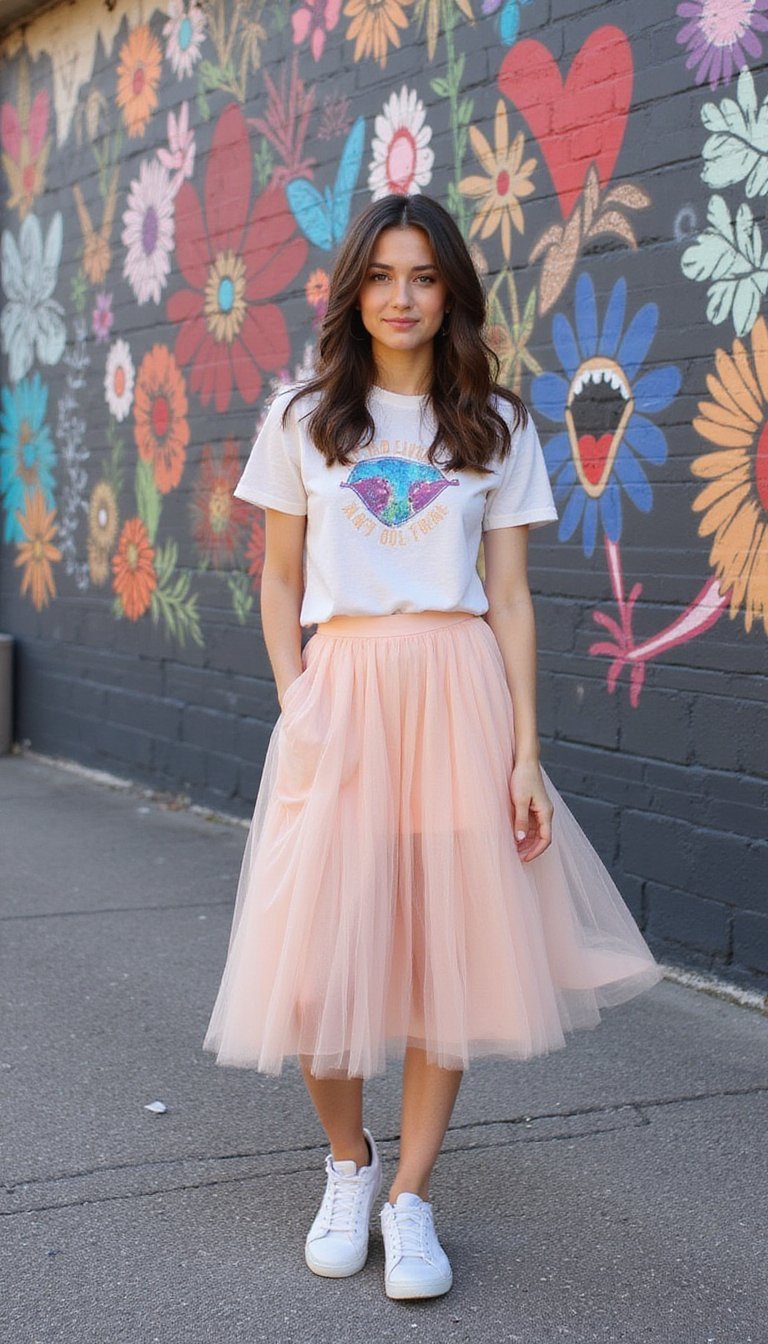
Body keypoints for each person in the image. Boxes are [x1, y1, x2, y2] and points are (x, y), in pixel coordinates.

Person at [203, 192, 663, 1302]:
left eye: (422, 277)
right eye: (380, 276)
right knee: (316, 963)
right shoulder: (303, 415)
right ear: (353, 289)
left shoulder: (495, 423)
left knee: (443, 950)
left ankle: (412, 1197)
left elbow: (509, 598)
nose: (401, 298)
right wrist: (295, 699)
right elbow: (275, 580)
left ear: (450, 287)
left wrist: (522, 752)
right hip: (342, 691)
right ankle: (347, 1165)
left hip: (457, 691)